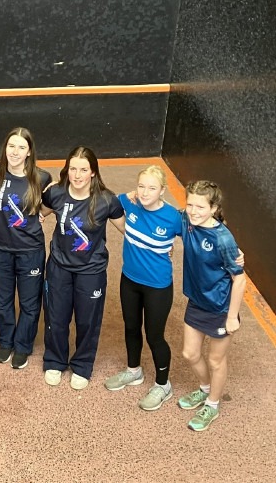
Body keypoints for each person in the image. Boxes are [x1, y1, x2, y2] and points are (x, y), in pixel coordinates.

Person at [41, 146, 125, 389]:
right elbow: (39, 213)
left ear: (93, 172)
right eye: (73, 169)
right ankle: (55, 361)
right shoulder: (56, 193)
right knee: (56, 317)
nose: (77, 175)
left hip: (91, 269)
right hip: (59, 266)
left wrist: (161, 245)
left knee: (88, 321)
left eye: (83, 170)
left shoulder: (107, 200)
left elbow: (128, 230)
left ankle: (82, 365)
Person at [104, 166, 182, 410]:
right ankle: (133, 371)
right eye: (141, 186)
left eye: (152, 188)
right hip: (129, 280)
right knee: (130, 327)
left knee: (154, 336)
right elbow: (108, 201)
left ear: (162, 190)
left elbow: (199, 231)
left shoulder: (173, 217)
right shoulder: (131, 203)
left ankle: (163, 385)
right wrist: (128, 195)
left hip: (157, 287)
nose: (145, 192)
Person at [176, 180, 245, 431]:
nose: (193, 211)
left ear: (214, 208)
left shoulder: (223, 239)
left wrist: (232, 317)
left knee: (216, 361)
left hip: (220, 308)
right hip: (197, 301)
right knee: (190, 354)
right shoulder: (186, 220)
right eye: (190, 204)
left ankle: (213, 405)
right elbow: (164, 211)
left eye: (200, 207)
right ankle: (205, 389)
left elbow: (240, 279)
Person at [0, 128, 51, 369]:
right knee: (2, 300)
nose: (15, 152)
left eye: (21, 147)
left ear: (29, 152)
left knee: (29, 303)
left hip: (30, 251)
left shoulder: (42, 178)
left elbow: (56, 200)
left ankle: (23, 345)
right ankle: (6, 340)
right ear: (5, 148)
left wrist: (41, 213)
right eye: (11, 146)